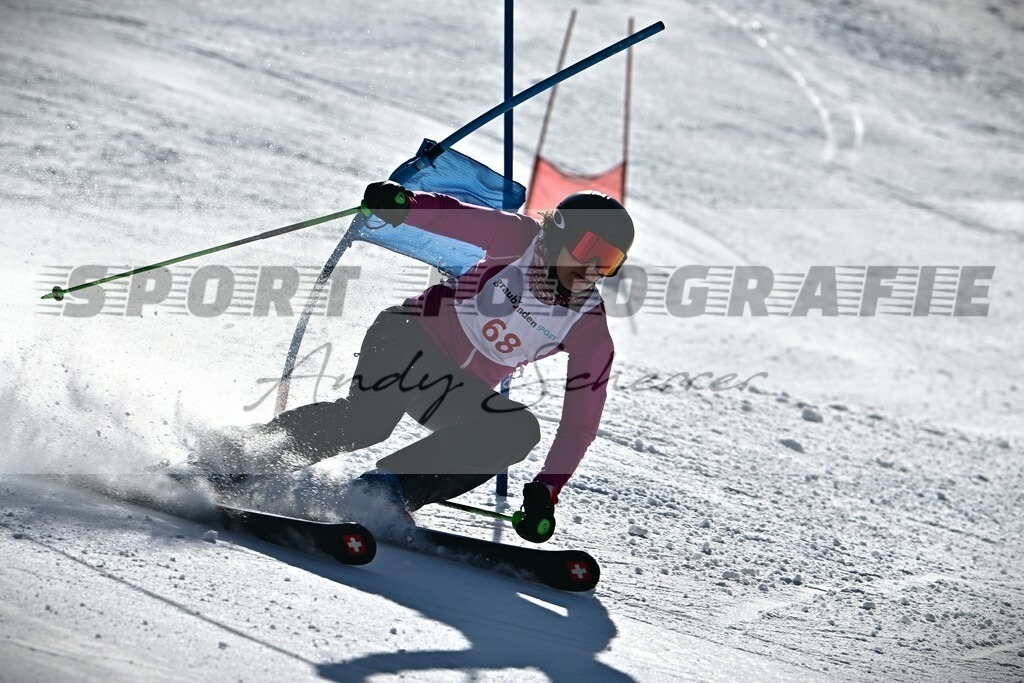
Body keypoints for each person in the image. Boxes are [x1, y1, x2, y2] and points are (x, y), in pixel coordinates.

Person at [196, 181, 634, 542]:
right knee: (367, 422)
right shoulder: (520, 240)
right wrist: (404, 206)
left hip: (447, 387)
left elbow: (580, 423)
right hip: (408, 336)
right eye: (587, 248)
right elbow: (455, 216)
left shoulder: (588, 326)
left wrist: (546, 487)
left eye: (608, 262)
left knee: (515, 430)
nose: (591, 269)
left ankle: (386, 491)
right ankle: (239, 455)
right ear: (557, 232)